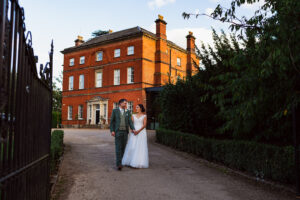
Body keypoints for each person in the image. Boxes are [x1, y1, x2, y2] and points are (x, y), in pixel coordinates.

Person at [110, 99, 136, 171]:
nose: (126, 105)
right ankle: (119, 164)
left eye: (126, 103)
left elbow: (130, 122)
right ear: (120, 104)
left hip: (125, 132)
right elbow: (112, 122)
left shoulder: (127, 111)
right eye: (125, 103)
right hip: (118, 132)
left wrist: (133, 129)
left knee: (124, 148)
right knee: (118, 148)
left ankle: (122, 161)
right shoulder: (115, 111)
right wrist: (112, 130)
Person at [122, 104, 149, 168]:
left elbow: (144, 125)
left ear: (141, 108)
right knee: (132, 145)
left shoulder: (144, 116)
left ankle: (139, 162)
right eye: (136, 107)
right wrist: (132, 130)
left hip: (141, 132)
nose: (136, 108)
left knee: (140, 146)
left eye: (137, 107)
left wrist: (138, 131)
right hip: (134, 131)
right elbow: (131, 123)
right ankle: (129, 161)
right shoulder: (133, 115)